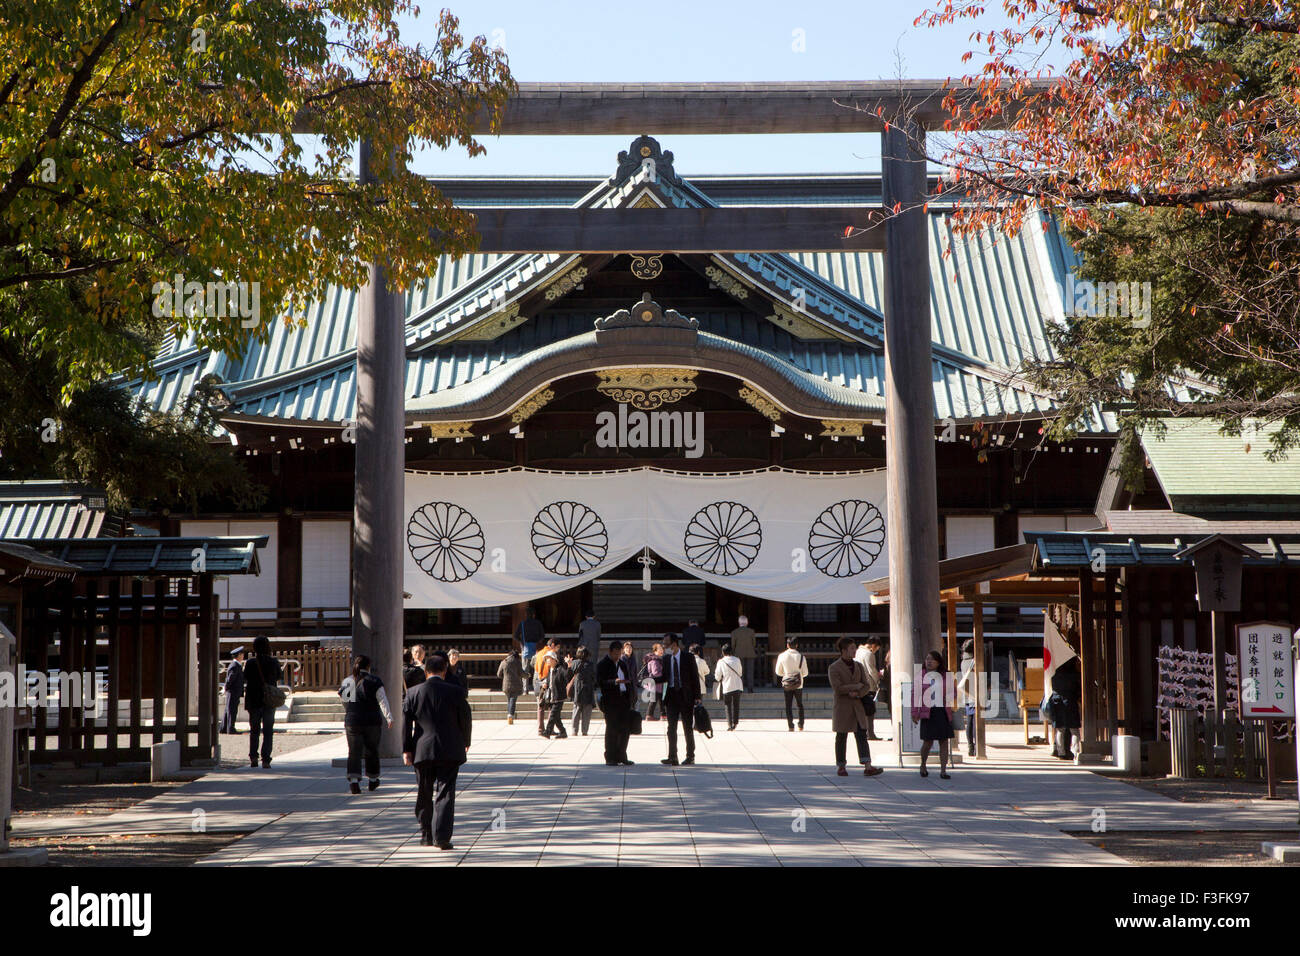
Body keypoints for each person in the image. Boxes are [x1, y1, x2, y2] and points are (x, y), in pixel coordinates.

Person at [403, 653, 472, 849]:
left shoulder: (413, 693)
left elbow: (406, 724)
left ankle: (426, 835)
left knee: (424, 791)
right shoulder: (456, 691)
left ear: (425, 671)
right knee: (445, 792)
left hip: (422, 748)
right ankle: (442, 836)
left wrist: (406, 748)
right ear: (444, 671)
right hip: (450, 747)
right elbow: (466, 718)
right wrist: (465, 741)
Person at [828, 636, 884, 777]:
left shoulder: (858, 665)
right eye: (852, 648)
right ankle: (841, 766)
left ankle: (868, 765)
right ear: (843, 650)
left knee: (861, 735)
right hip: (843, 707)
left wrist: (859, 692)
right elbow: (837, 687)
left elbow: (866, 685)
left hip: (857, 705)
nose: (854, 651)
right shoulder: (834, 667)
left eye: (854, 648)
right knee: (841, 736)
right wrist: (855, 687)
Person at [338, 654, 394, 793]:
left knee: (354, 751)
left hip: (353, 720)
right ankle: (373, 779)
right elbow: (382, 700)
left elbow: (345, 702)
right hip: (372, 720)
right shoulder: (375, 681)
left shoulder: (348, 681)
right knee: (372, 750)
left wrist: (351, 712)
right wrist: (389, 717)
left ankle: (354, 781)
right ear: (368, 666)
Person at [660, 634, 701, 766]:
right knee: (671, 728)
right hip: (671, 696)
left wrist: (697, 696)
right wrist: (650, 680)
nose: (664, 647)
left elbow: (695, 677)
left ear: (674, 644)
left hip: (686, 696)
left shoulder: (687, 657)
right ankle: (672, 756)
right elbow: (663, 677)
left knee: (687, 728)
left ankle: (690, 756)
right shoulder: (666, 659)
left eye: (666, 644)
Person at [914, 650, 955, 779]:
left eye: (932, 659)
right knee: (928, 742)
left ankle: (943, 770)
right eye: (927, 659)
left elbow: (953, 692)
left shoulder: (946, 675)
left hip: (942, 711)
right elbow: (915, 695)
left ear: (938, 662)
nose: (929, 661)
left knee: (944, 741)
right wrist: (915, 713)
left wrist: (946, 696)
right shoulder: (921, 675)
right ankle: (923, 765)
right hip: (928, 712)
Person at [243, 635, 283, 769]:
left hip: (254, 699)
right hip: (269, 700)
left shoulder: (250, 663)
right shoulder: (273, 662)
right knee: (268, 730)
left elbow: (245, 677)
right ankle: (266, 759)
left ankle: (253, 757)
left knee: (254, 730)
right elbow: (279, 676)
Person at [597, 640, 634, 766]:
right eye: (615, 654)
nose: (617, 656)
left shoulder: (622, 664)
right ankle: (610, 756)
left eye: (619, 654)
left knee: (625, 729)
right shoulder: (603, 664)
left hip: (623, 699)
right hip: (610, 700)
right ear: (610, 652)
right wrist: (614, 682)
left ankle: (622, 755)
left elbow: (629, 679)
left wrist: (631, 698)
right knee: (612, 729)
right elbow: (600, 682)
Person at [1049, 656, 1082, 760]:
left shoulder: (1055, 674)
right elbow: (1077, 689)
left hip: (1057, 701)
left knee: (1060, 729)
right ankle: (1077, 751)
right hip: (1070, 701)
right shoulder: (1074, 674)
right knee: (1074, 729)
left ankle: (1061, 752)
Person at [774, 637, 810, 732]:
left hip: (787, 683)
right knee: (799, 704)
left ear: (787, 645)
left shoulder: (782, 656)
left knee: (788, 704)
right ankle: (801, 724)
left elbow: (778, 671)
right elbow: (805, 673)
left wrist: (786, 674)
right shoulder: (801, 657)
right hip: (799, 683)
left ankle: (790, 725)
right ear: (797, 645)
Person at [713, 642, 745, 731]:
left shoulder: (721, 662)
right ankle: (735, 722)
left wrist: (719, 678)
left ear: (723, 652)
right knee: (736, 704)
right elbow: (740, 672)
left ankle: (729, 724)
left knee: (727, 705)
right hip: (737, 685)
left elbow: (717, 676)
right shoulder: (737, 660)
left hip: (727, 685)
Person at [856, 636, 884, 739]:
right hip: (869, 685)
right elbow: (872, 670)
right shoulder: (869, 654)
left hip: (859, 684)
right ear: (873, 645)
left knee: (862, 711)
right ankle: (870, 733)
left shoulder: (858, 652)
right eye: (876, 648)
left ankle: (864, 732)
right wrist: (879, 678)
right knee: (870, 711)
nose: (876, 651)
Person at [567, 646, 597, 736]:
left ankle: (574, 730)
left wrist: (569, 664)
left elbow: (568, 675)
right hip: (587, 689)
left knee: (576, 711)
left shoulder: (574, 663)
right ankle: (584, 731)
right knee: (586, 712)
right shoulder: (590, 665)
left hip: (577, 690)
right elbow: (593, 677)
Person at [956, 639, 977, 757]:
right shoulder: (974, 661)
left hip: (967, 693)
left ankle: (970, 745)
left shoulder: (963, 661)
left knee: (969, 720)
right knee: (976, 721)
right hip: (976, 693)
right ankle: (976, 745)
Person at [543, 647, 570, 739]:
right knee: (556, 717)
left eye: (549, 659)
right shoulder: (550, 671)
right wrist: (544, 685)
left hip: (559, 696)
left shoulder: (560, 669)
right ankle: (563, 732)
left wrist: (568, 666)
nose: (547, 660)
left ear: (554, 660)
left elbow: (567, 677)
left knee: (553, 715)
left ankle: (547, 731)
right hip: (551, 696)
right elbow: (548, 682)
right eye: (546, 659)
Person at [496, 639, 525, 725]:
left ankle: (509, 714)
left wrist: (504, 677)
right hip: (515, 685)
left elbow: (498, 674)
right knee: (513, 700)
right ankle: (510, 715)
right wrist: (528, 675)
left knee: (509, 699)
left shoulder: (503, 662)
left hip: (506, 685)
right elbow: (521, 673)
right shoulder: (517, 662)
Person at [535, 638, 559, 736]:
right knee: (550, 704)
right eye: (558, 647)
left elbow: (536, 667)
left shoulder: (540, 653)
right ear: (553, 645)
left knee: (541, 705)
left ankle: (540, 729)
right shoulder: (551, 653)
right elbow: (553, 667)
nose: (557, 649)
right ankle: (550, 728)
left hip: (539, 680)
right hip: (548, 680)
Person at [517, 608, 544, 694]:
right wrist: (538, 644)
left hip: (526, 649)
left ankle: (525, 689)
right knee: (537, 669)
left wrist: (522, 643)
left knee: (525, 670)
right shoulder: (538, 623)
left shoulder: (522, 624)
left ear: (526, 615)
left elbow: (515, 635)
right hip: (536, 650)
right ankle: (537, 688)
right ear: (534, 615)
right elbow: (542, 636)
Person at [220, 647, 245, 734]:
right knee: (232, 710)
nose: (243, 656)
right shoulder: (235, 666)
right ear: (238, 655)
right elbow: (230, 679)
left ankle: (224, 728)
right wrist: (226, 688)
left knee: (229, 709)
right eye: (241, 654)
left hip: (234, 691)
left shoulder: (236, 665)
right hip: (233, 691)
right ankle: (231, 728)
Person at [729, 615, 757, 692]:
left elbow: (733, 645)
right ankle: (750, 688)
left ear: (739, 623)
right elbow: (754, 643)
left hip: (738, 654)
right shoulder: (751, 631)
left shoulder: (734, 632)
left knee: (739, 671)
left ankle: (740, 688)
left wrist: (734, 652)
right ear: (747, 622)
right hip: (750, 653)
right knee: (750, 671)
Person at [640, 642, 665, 720]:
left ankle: (662, 715)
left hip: (657, 684)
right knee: (654, 700)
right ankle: (649, 716)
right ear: (655, 651)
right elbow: (656, 673)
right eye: (660, 649)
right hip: (655, 684)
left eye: (662, 649)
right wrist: (664, 674)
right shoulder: (655, 660)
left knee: (660, 700)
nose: (662, 651)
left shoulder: (657, 659)